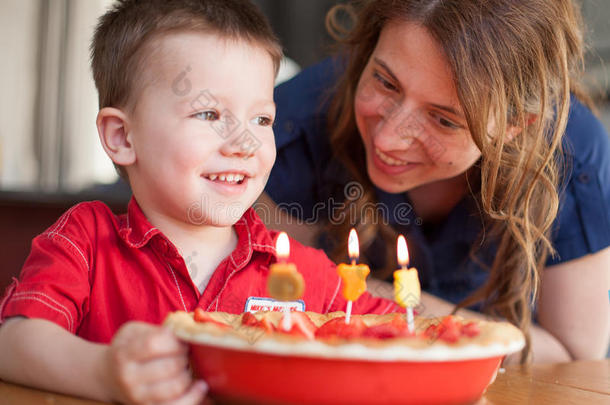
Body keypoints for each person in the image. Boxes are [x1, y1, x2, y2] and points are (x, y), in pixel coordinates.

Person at [0, 1, 400, 404]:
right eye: (209, 114)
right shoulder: (85, 242)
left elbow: (405, 331)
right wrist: (103, 372)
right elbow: (12, 343)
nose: (244, 145)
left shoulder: (302, 272)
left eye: (262, 120)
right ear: (122, 136)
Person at [260, 0, 610, 364]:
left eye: (443, 120)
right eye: (385, 82)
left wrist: (369, 296)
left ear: (516, 126)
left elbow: (574, 356)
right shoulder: (295, 123)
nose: (387, 140)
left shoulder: (573, 156)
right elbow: (270, 303)